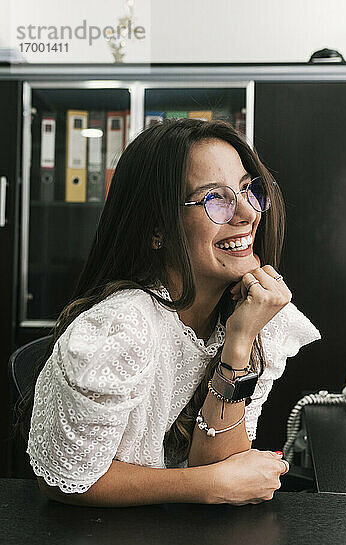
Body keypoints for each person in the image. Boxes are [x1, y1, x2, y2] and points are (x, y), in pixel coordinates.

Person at [16, 118, 321, 507]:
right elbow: (66, 480)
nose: (247, 213)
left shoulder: (250, 314)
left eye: (248, 189)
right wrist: (205, 485)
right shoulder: (122, 327)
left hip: (175, 542)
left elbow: (217, 462)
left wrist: (238, 343)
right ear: (157, 229)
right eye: (216, 198)